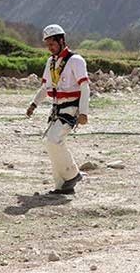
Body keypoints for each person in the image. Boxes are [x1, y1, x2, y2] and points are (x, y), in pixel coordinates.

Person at [26, 24, 90, 195]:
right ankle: (61, 185)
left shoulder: (76, 61)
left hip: (71, 109)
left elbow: (85, 87)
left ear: (61, 40)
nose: (50, 48)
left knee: (53, 140)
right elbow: (45, 87)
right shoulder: (51, 62)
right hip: (56, 109)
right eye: (47, 45)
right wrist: (34, 104)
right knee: (50, 143)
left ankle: (73, 174)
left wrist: (84, 112)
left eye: (52, 44)